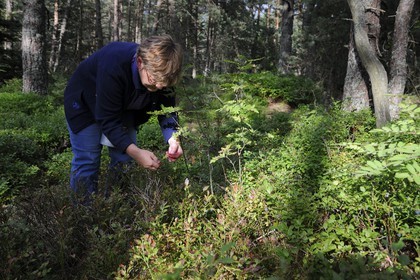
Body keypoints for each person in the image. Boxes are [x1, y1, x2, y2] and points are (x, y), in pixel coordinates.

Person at [64, 34, 183, 199]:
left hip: (124, 107)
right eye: (154, 79)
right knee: (88, 160)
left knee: (124, 160)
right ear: (140, 62)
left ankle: (115, 208)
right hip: (84, 104)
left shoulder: (164, 74)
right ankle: (83, 214)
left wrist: (173, 139)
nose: (160, 85)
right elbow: (108, 119)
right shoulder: (114, 63)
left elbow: (168, 110)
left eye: (164, 82)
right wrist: (137, 152)